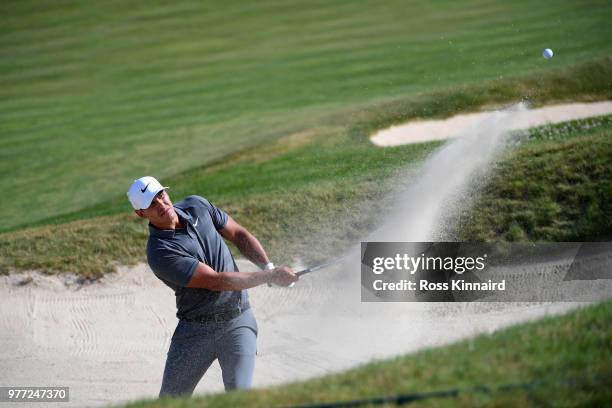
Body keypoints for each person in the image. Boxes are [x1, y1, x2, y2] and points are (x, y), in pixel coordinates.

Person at [126, 176, 298, 396]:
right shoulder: (159, 252)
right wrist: (269, 276)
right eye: (151, 204)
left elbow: (238, 234)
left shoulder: (196, 206)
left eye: (161, 195)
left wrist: (268, 265)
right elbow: (215, 281)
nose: (161, 204)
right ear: (141, 213)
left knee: (239, 397)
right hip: (195, 331)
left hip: (238, 321)